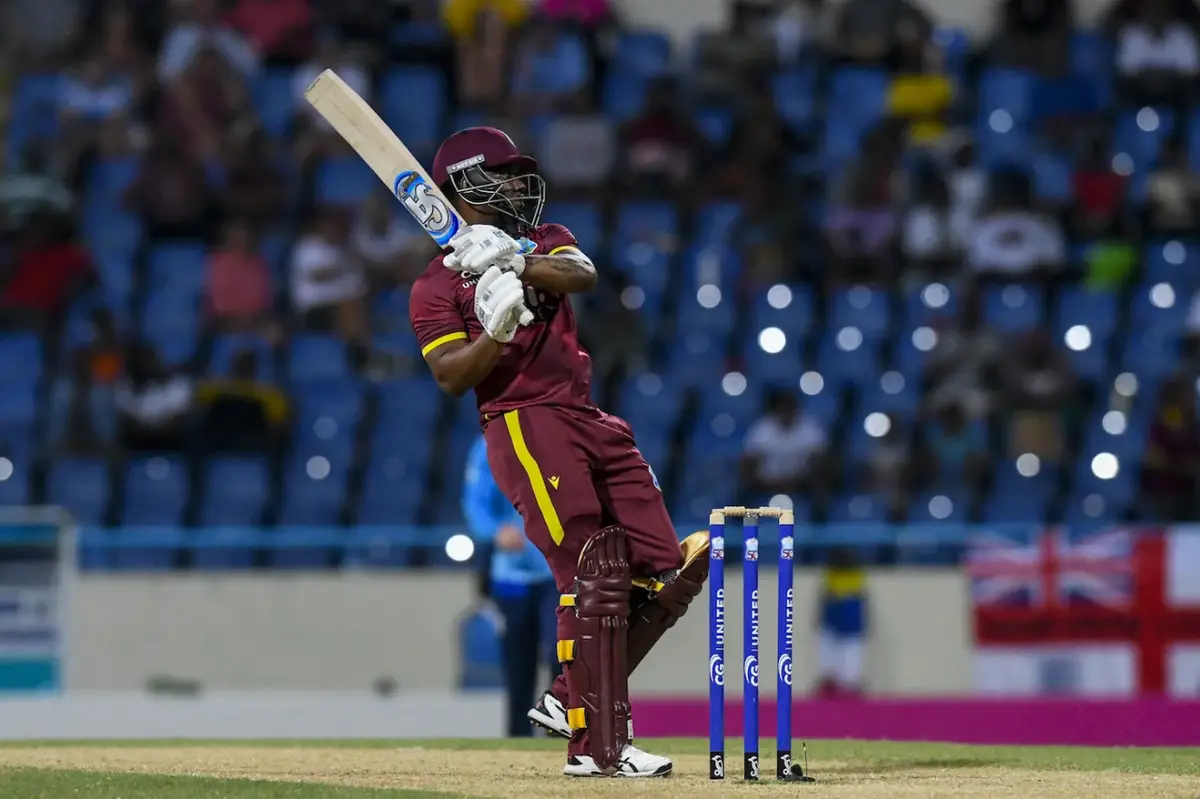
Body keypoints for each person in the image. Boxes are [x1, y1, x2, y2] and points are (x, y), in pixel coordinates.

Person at [409, 127, 713, 778]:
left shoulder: (540, 242)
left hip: (584, 411)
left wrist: (513, 263)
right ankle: (597, 746)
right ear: (464, 183)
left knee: (667, 566)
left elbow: (582, 271)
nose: (521, 184)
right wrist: (494, 331)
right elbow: (452, 376)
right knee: (591, 571)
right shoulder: (435, 285)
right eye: (505, 173)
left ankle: (566, 698)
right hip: (522, 418)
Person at [463, 435, 560, 737]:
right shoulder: (490, 445)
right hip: (511, 575)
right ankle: (519, 738)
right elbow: (475, 500)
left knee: (562, 653)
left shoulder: (561, 437)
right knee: (518, 662)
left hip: (558, 572)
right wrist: (495, 532)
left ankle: (563, 733)